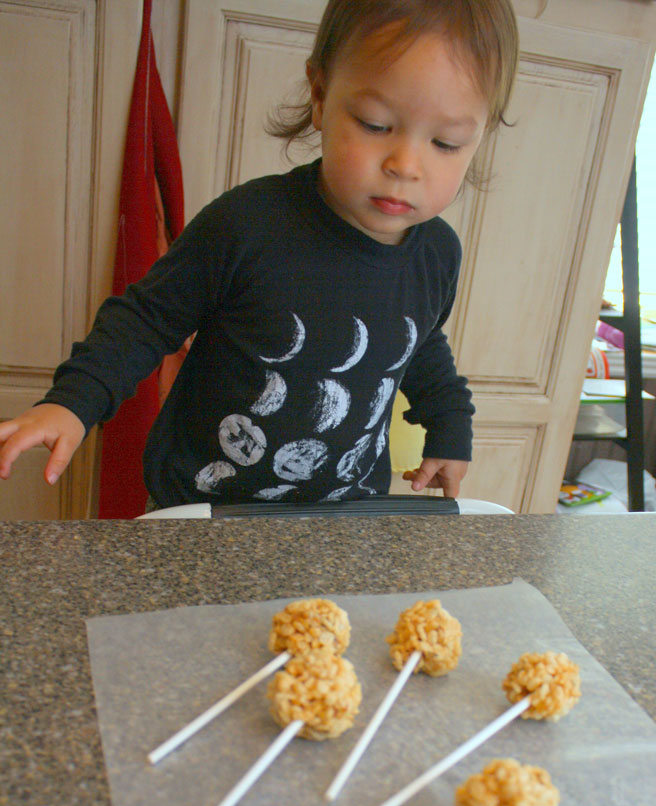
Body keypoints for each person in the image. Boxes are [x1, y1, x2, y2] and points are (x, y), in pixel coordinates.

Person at [0, 0, 519, 510]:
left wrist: (451, 428)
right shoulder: (247, 224)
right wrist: (73, 401)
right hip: (204, 511)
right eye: (375, 124)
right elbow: (145, 320)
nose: (405, 164)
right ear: (320, 95)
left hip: (343, 517)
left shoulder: (437, 254)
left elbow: (420, 344)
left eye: (446, 143)